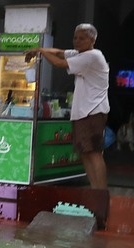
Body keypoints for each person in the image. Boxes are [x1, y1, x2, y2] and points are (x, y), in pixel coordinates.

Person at [25, 23, 109, 190]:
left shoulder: (92, 56)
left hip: (92, 112)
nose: (77, 41)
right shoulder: (80, 54)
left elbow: (58, 63)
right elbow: (59, 52)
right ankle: (95, 190)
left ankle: (101, 192)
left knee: (93, 153)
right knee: (84, 153)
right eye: (75, 37)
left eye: (82, 38)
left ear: (92, 40)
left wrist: (40, 51)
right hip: (82, 113)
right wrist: (38, 49)